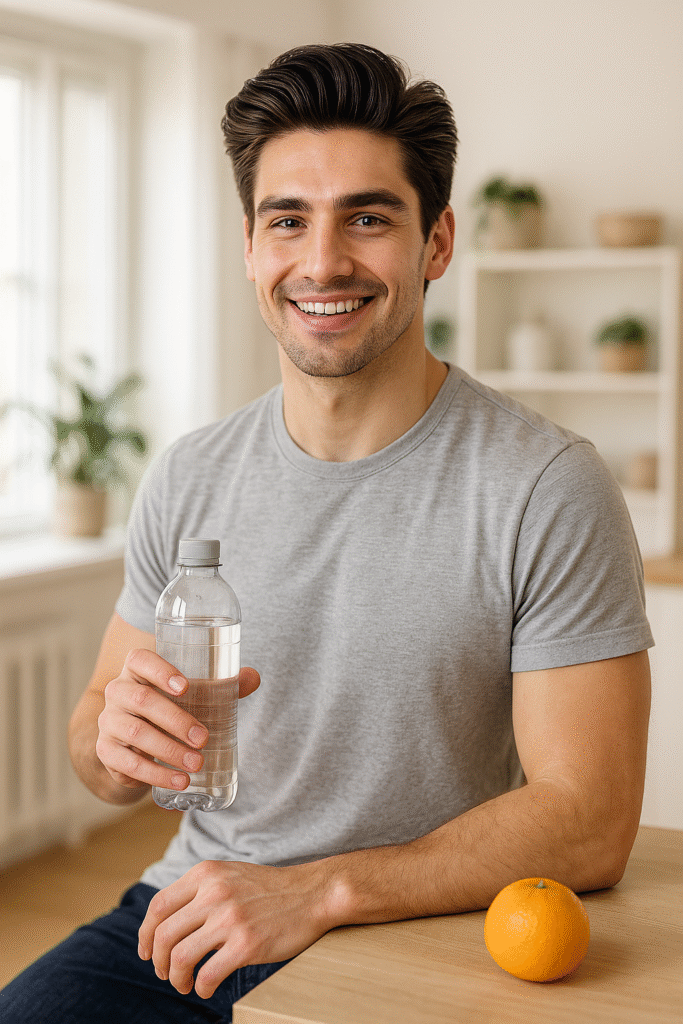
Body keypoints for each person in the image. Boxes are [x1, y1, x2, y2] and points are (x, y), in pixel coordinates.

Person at [0, 42, 653, 1023]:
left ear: (436, 244)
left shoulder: (544, 485)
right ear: (251, 247)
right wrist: (115, 739)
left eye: (367, 218)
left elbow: (587, 822)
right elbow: (97, 752)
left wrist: (317, 889)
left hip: (416, 922)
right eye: (287, 221)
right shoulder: (187, 473)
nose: (321, 261)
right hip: (197, 909)